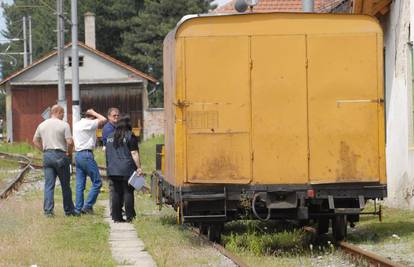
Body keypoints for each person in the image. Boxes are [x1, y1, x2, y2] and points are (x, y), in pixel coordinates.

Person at [33, 104, 75, 217]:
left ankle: (48, 212)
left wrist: (44, 151)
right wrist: (69, 153)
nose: (63, 116)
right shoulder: (64, 125)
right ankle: (69, 210)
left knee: (49, 185)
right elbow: (70, 142)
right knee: (65, 185)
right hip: (60, 155)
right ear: (58, 112)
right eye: (63, 114)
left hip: (47, 156)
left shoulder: (42, 125)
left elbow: (35, 141)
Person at [105, 115, 142, 222]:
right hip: (127, 169)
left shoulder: (110, 137)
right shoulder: (130, 136)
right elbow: (134, 152)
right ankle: (130, 216)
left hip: (113, 169)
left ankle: (116, 217)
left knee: (116, 193)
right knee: (128, 192)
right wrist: (139, 167)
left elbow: (107, 153)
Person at [73, 109, 107, 214]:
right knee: (97, 182)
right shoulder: (89, 123)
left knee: (79, 184)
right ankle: (87, 206)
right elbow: (104, 120)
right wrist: (94, 113)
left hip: (78, 155)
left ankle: (78, 209)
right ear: (91, 116)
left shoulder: (77, 124)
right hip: (86, 155)